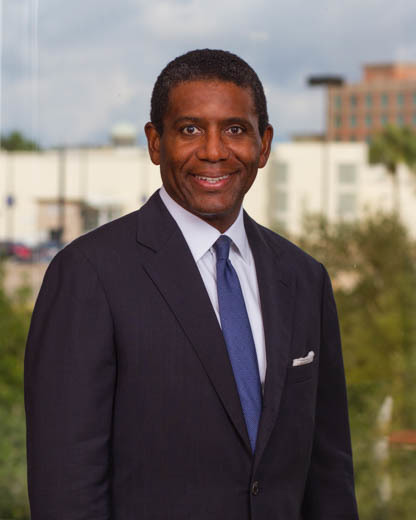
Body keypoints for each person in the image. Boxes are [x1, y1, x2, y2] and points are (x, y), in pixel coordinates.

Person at [24, 49, 359, 519]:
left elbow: (330, 477)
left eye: (235, 130)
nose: (214, 151)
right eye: (190, 130)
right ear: (155, 143)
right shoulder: (88, 274)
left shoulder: (304, 278)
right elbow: (66, 489)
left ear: (263, 145)